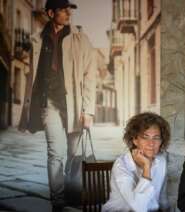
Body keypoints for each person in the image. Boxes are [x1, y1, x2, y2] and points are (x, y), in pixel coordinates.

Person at [18, 0, 96, 210]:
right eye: (63, 9)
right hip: (48, 104)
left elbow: (90, 76)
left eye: (69, 9)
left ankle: (73, 193)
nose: (68, 12)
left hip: (73, 104)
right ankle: (58, 200)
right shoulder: (37, 40)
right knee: (55, 152)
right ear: (51, 13)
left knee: (74, 153)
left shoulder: (80, 39)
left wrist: (88, 110)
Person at [102, 112, 171, 212]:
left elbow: (162, 199)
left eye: (156, 138)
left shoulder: (161, 161)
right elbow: (138, 207)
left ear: (161, 141)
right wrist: (146, 167)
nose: (151, 143)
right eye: (145, 137)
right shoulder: (121, 164)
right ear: (135, 140)